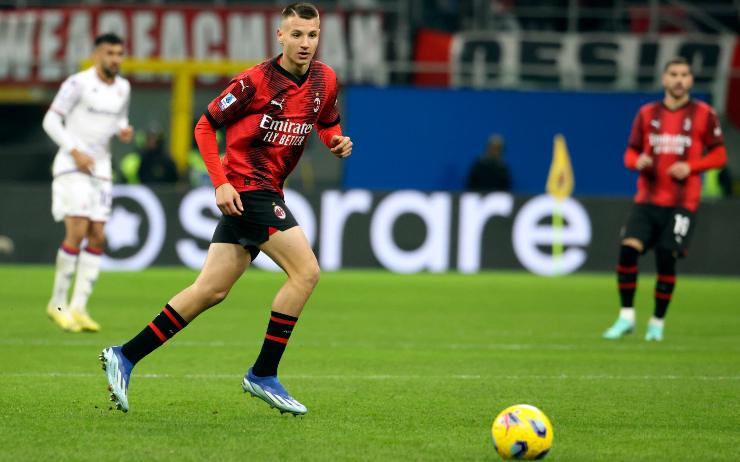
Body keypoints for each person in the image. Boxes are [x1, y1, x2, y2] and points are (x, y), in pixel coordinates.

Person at [100, 2, 352, 415]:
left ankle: (124, 355)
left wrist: (336, 141)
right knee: (306, 272)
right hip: (250, 190)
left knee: (210, 290)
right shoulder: (256, 81)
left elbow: (326, 121)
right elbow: (204, 125)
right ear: (280, 36)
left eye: (312, 35)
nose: (305, 43)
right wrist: (219, 182)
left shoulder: (325, 79)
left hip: (267, 191)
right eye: (297, 34)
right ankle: (263, 373)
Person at [602, 57, 727, 342]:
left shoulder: (704, 114)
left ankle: (657, 323)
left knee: (665, 257)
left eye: (684, 75)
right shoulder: (647, 114)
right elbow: (629, 153)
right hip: (647, 200)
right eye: (674, 74)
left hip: (683, 203)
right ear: (664, 78)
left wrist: (691, 166)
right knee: (628, 251)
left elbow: (720, 155)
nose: (679, 80)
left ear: (691, 80)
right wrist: (639, 161)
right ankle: (626, 316)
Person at [42, 33, 133, 333]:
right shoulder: (77, 83)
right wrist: (75, 150)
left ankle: (79, 306)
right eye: (110, 53)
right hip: (72, 165)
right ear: (96, 54)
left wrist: (123, 131)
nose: (115, 59)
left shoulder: (123, 88)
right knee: (77, 228)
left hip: (101, 169)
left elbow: (120, 119)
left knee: (98, 236)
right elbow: (51, 121)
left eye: (119, 53)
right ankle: (57, 304)